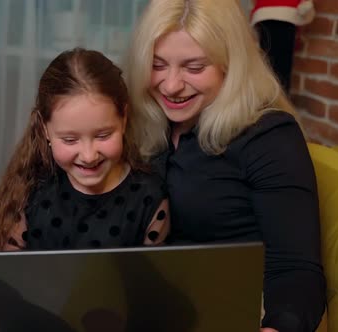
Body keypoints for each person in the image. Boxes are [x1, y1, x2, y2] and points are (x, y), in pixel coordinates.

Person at [0, 48, 170, 331]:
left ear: (124, 118)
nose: (88, 155)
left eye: (103, 135)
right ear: (45, 128)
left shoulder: (148, 197)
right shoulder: (34, 184)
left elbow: (148, 297)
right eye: (70, 139)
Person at [124, 0, 326, 331]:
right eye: (158, 65)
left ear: (229, 66)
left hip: (227, 310)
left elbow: (296, 270)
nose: (171, 85)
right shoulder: (145, 122)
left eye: (194, 67)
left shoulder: (269, 136)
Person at [251, 0, 316, 93]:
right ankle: (275, 101)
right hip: (286, 14)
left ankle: (267, 99)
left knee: (266, 66)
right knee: (280, 71)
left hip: (263, 13)